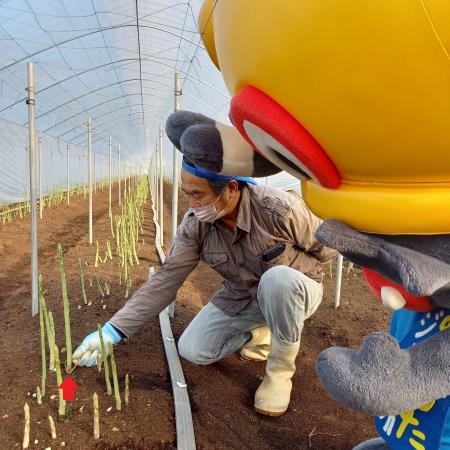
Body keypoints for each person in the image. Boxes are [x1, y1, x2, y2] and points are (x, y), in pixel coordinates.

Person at [73, 158, 337, 416]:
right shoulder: (195, 225)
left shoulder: (278, 209)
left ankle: (279, 374)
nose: (192, 204)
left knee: (277, 279)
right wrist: (113, 331)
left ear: (231, 189)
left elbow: (329, 249)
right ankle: (260, 335)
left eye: (198, 194)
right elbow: (167, 279)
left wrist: (296, 274)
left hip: (296, 291)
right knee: (193, 349)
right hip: (243, 295)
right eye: (187, 194)